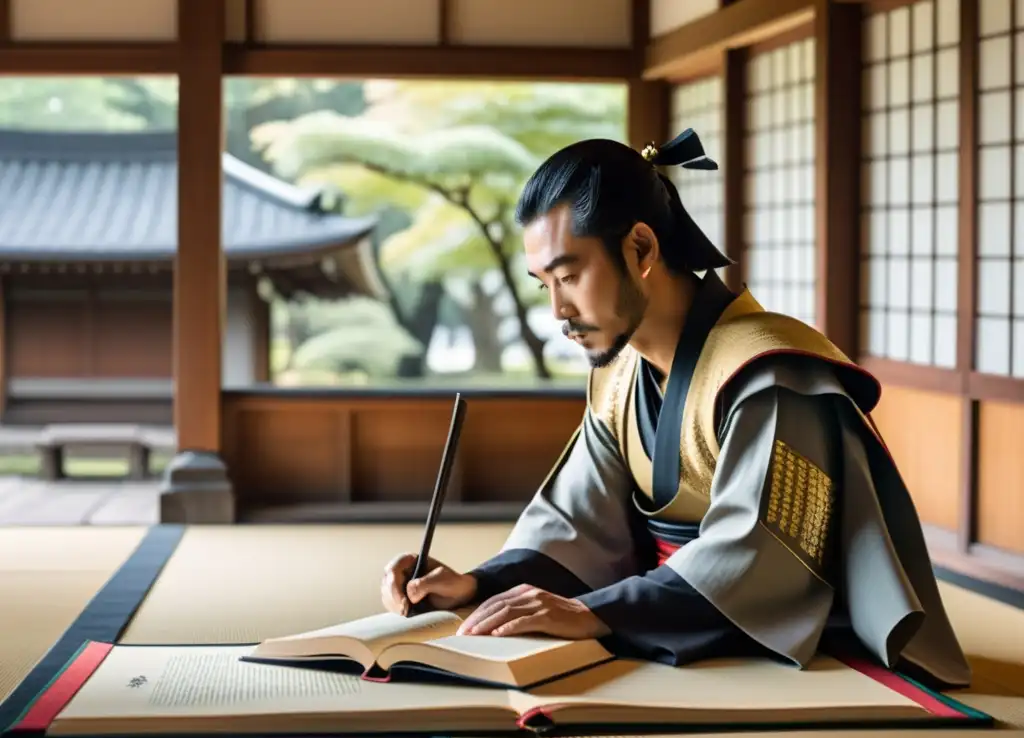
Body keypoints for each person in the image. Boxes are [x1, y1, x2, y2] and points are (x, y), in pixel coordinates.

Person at [380, 129, 972, 690]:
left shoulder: (771, 372)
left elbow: (759, 556)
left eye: (570, 276)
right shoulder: (619, 378)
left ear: (641, 248)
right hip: (665, 623)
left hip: (787, 638)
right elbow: (577, 525)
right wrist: (479, 583)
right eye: (544, 285)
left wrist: (593, 611)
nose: (557, 310)